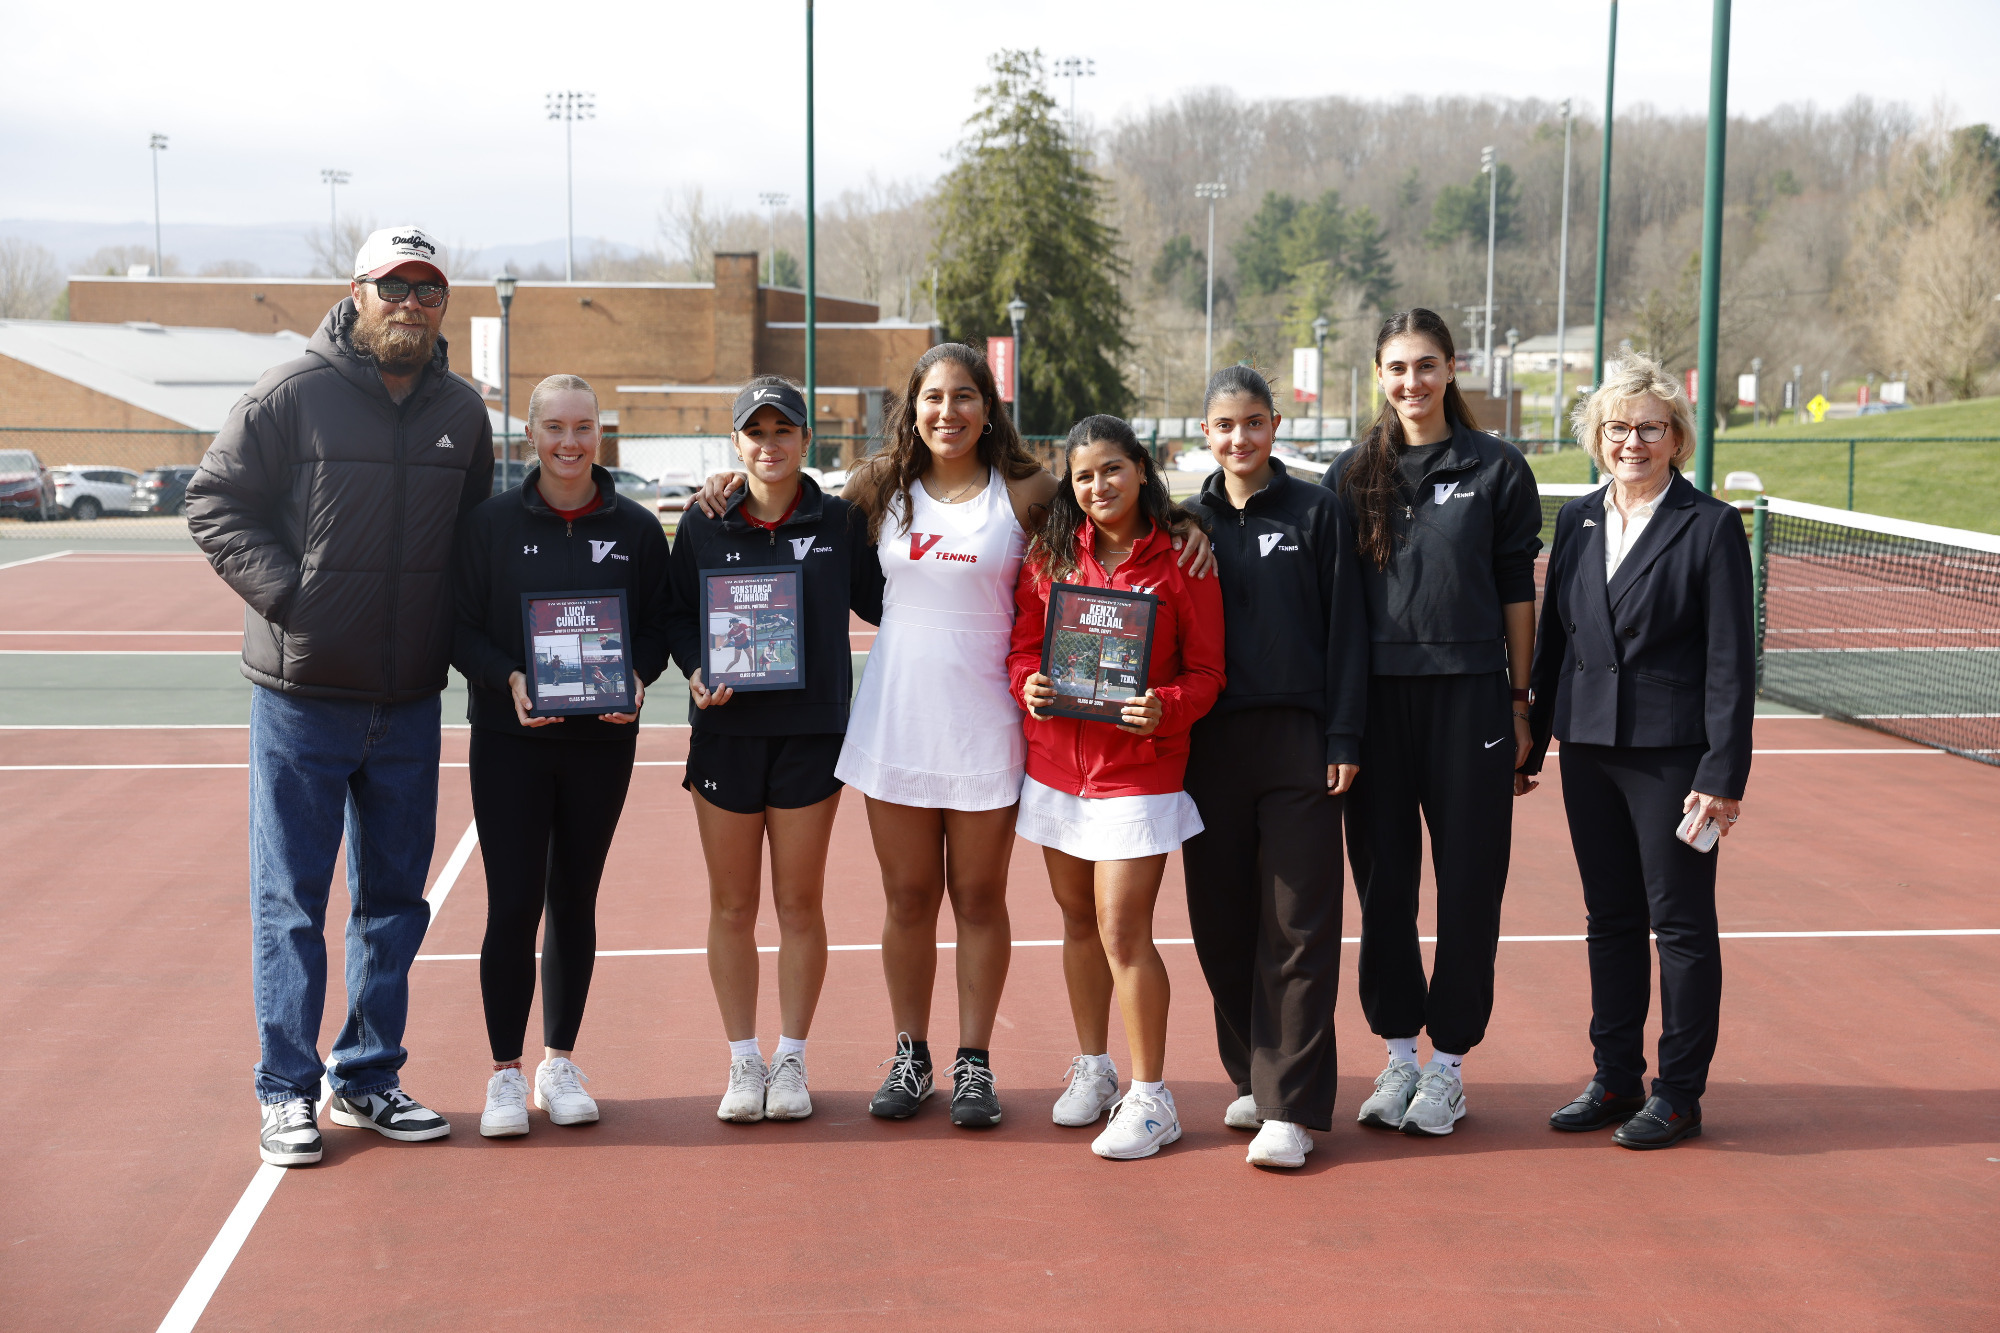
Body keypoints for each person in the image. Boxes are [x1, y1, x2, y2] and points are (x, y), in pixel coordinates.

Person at [694, 344, 1213, 1130]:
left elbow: (1109, 506)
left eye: (964, 396)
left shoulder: (1028, 489)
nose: (948, 411)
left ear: (987, 406)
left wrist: (1186, 519)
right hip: (899, 718)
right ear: (915, 407)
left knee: (978, 898)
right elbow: (788, 496)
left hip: (989, 724)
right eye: (933, 397)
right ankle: (912, 1053)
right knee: (907, 899)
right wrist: (728, 483)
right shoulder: (876, 489)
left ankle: (975, 1061)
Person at [184, 227, 493, 1167]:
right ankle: (286, 1089)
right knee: (291, 901)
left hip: (406, 702)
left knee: (395, 901)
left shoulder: (463, 412)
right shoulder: (292, 395)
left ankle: (366, 1074)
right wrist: (295, 599)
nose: (411, 301)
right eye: (393, 284)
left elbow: (477, 538)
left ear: (445, 305)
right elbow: (213, 502)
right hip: (302, 698)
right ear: (357, 292)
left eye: (428, 288)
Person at [1523, 355, 1754, 1150]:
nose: (1632, 441)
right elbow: (1555, 639)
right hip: (1586, 746)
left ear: (1676, 437)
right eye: (1617, 427)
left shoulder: (1712, 526)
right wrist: (1533, 736)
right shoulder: (1579, 520)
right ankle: (1616, 1074)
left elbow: (1731, 662)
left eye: (1649, 427)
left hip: (1673, 757)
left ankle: (1679, 1091)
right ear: (1596, 435)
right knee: (1609, 917)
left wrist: (1722, 774)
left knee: (1681, 924)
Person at [1323, 308, 1543, 1138]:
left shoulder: (1497, 468)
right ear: (1377, 376)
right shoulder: (1350, 475)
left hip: (1473, 703)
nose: (1410, 381)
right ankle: (1398, 1056)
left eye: (1425, 365)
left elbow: (1518, 594)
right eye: (1395, 368)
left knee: (1470, 886)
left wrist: (1522, 704)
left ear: (1452, 368)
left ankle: (1448, 1064)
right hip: (1378, 709)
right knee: (1384, 890)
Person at [451, 373, 671, 1138]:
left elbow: (658, 629)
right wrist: (506, 675)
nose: (569, 443)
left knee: (575, 898)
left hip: (602, 742)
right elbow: (459, 628)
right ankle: (505, 1073)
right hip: (511, 741)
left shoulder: (639, 530)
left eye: (583, 428)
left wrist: (637, 678)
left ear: (601, 435)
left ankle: (559, 1061)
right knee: (514, 903)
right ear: (532, 435)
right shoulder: (490, 525)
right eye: (555, 428)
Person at [666, 378, 883, 1124]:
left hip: (812, 734)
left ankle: (791, 1055)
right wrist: (697, 668)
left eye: (782, 429)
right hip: (726, 734)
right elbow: (676, 617)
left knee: (798, 902)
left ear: (804, 438)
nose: (769, 443)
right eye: (754, 432)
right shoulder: (704, 522)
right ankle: (743, 1059)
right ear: (736, 443)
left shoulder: (842, 520)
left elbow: (890, 598)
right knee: (732, 904)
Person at [1011, 416, 1226, 1160]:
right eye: (1082, 475)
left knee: (1122, 929)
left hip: (1140, 771)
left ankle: (1152, 1095)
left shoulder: (1183, 559)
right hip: (1057, 769)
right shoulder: (1048, 555)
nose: (1098, 486)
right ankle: (1095, 1067)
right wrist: (1028, 684)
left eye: (1112, 469)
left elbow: (1207, 673)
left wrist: (1163, 704)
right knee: (1077, 923)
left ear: (1141, 469)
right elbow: (1020, 648)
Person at [1179, 366, 1368, 1169]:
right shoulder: (1184, 522)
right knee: (1221, 925)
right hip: (1207, 747)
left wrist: (1346, 736)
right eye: (1225, 425)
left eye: (1253, 422)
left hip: (1300, 744)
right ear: (1204, 433)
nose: (1239, 438)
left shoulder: (1318, 512)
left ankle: (1291, 1106)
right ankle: (1254, 1073)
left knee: (1299, 924)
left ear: (1275, 424)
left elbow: (1349, 631)